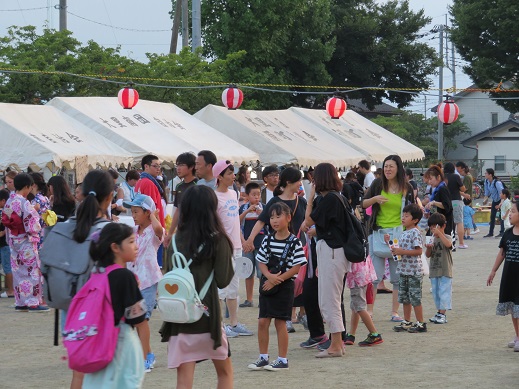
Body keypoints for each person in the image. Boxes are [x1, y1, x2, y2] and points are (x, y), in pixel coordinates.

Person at [159, 185, 235, 389]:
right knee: (225, 373)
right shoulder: (218, 240)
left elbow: (168, 275)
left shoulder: (173, 241)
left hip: (179, 319)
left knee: (184, 379)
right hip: (208, 318)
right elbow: (223, 280)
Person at [52, 170, 115, 389]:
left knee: (78, 375)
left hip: (70, 312)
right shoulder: (111, 232)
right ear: (109, 197)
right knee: (103, 377)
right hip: (100, 315)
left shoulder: (66, 226)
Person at [83, 223, 148, 389]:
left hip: (98, 341)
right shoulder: (124, 276)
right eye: (131, 242)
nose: (136, 246)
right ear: (115, 247)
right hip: (121, 341)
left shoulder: (96, 273)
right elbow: (138, 318)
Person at [244, 167, 307, 331]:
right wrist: (250, 239)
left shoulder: (302, 201)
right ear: (289, 182)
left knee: (297, 283)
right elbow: (261, 221)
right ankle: (285, 317)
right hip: (276, 249)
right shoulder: (274, 201)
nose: (300, 183)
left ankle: (295, 314)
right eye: (298, 180)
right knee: (281, 281)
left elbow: (308, 222)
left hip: (297, 247)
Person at [248, 202, 306, 371]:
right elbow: (261, 261)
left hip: (284, 286)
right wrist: (269, 276)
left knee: (280, 323)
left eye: (278, 216)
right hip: (267, 284)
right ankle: (263, 357)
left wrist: (275, 279)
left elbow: (296, 267)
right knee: (262, 321)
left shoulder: (295, 242)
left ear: (288, 218)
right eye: (271, 217)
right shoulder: (267, 239)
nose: (274, 220)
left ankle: (282, 359)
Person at [301, 162, 351, 358]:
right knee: (329, 299)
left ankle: (336, 345)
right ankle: (337, 343)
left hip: (332, 252)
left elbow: (307, 222)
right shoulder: (337, 198)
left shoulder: (329, 199)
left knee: (329, 300)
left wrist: (310, 198)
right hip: (334, 252)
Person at [362, 155, 415, 323]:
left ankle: (394, 312)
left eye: (391, 166)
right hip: (377, 233)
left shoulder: (406, 188)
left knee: (397, 278)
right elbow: (363, 203)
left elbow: (413, 211)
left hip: (398, 236)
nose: (388, 170)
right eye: (385, 166)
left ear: (398, 168)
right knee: (374, 278)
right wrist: (375, 199)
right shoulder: (377, 184)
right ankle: (369, 311)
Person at [123, 194, 164, 373]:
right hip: (133, 280)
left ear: (147, 212)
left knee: (143, 320)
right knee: (133, 321)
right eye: (131, 212)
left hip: (149, 280)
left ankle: (147, 356)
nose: (133, 215)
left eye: (136, 211)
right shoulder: (133, 231)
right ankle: (141, 355)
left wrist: (153, 214)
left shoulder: (154, 231)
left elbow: (160, 230)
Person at [213, 160, 253, 337]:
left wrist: (242, 239)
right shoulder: (214, 197)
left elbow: (235, 220)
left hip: (236, 246)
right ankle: (220, 325)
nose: (233, 176)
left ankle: (234, 323)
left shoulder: (233, 193)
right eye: (229, 173)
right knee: (221, 287)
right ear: (219, 176)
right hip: (223, 247)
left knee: (234, 288)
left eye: (233, 173)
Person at [1, 173, 47, 312]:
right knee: (31, 271)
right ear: (27, 186)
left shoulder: (9, 201)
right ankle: (32, 301)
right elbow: (32, 223)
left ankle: (20, 301)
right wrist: (37, 212)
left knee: (18, 271)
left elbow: (7, 220)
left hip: (14, 241)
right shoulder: (24, 202)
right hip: (25, 240)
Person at [487, 199, 519, 351]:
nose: (510, 214)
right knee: (513, 307)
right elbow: (502, 253)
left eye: (513, 212)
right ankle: (518, 335)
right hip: (510, 277)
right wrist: (493, 271)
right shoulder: (507, 233)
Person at [389, 204, 426, 333]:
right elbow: (399, 250)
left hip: (414, 271)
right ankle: (407, 321)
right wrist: (392, 246)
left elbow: (419, 251)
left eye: (407, 216)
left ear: (415, 220)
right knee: (404, 297)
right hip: (404, 270)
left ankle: (421, 323)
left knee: (415, 297)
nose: (403, 218)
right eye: (403, 215)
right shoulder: (404, 232)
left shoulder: (415, 232)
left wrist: (402, 251)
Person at [345, 253, 383, 346]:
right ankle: (351, 334)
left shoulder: (352, 239)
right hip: (364, 270)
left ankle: (374, 334)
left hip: (356, 274)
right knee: (355, 305)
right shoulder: (362, 238)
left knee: (359, 307)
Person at [238, 182, 265, 308]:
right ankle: (249, 299)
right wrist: (248, 210)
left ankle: (262, 299)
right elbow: (236, 222)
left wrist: (261, 214)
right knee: (248, 272)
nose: (257, 197)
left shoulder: (264, 208)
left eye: (258, 194)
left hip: (261, 244)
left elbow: (268, 224)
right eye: (254, 194)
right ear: (247, 196)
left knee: (261, 273)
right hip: (246, 245)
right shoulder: (243, 208)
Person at [164, 152, 198, 248]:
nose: (178, 168)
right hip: (181, 232)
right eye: (177, 165)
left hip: (195, 233)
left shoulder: (198, 186)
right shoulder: (179, 186)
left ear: (191, 167)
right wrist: (170, 232)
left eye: (181, 165)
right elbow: (178, 210)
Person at [425, 213, 453, 325]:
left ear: (443, 226)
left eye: (436, 227)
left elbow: (448, 244)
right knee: (436, 293)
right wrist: (428, 248)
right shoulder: (431, 239)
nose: (433, 230)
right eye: (431, 227)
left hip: (445, 270)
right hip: (434, 270)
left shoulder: (447, 237)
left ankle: (443, 314)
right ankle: (439, 312)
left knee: (444, 292)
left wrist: (440, 234)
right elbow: (428, 255)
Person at [424, 165, 454, 237]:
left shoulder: (442, 189)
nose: (429, 182)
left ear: (438, 177)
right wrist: (429, 212)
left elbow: (446, 206)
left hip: (444, 225)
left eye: (431, 179)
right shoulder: (437, 190)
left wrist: (433, 203)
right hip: (437, 224)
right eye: (428, 179)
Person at [444, 162, 467, 249]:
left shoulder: (443, 178)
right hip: (456, 201)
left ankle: (448, 242)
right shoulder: (456, 176)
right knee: (459, 222)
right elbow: (462, 189)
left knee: (448, 222)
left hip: (446, 201)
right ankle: (461, 243)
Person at [28, 172, 50, 248]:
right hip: (44, 233)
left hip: (37, 235)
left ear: (33, 185)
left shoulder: (36, 201)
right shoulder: (45, 198)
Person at [483, 168, 505, 238]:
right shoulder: (486, 181)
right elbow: (487, 193)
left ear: (490, 175)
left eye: (486, 173)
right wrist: (485, 200)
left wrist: (500, 204)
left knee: (502, 216)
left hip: (502, 199)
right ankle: (491, 232)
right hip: (495, 200)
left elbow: (502, 193)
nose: (485, 174)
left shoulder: (497, 183)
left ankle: (502, 232)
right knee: (492, 216)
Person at [0, 189, 14, 298]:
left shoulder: (5, 211)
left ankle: (10, 290)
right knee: (7, 267)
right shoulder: (8, 210)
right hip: (6, 243)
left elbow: (8, 225)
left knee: (7, 267)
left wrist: (4, 232)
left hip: (4, 244)